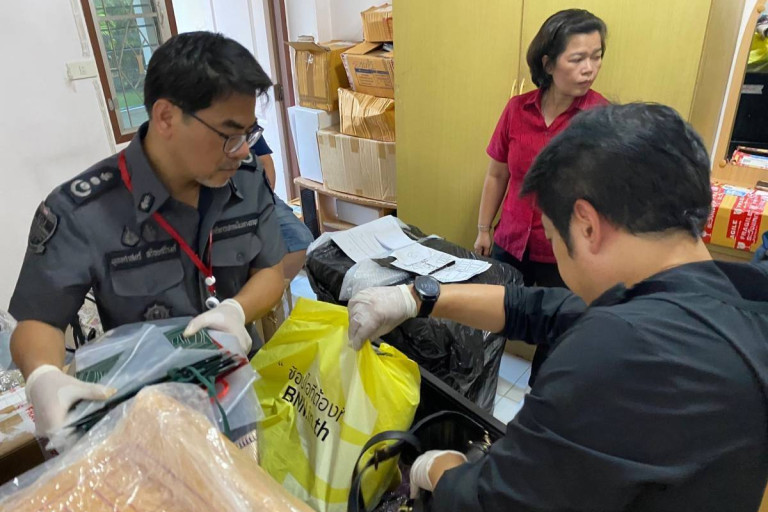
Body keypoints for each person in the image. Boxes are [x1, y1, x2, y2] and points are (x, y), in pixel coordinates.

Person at [348, 104, 768, 511]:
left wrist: (439, 468)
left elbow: (489, 502)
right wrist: (417, 298)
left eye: (551, 237)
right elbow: (539, 308)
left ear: (586, 225)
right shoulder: (735, 303)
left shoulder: (621, 351)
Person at [9, 32, 287, 439]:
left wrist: (237, 310)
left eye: (250, 133)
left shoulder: (245, 180)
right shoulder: (82, 210)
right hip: (147, 414)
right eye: (229, 134)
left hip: (238, 391)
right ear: (166, 117)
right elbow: (39, 320)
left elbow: (272, 271)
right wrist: (44, 376)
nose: (243, 151)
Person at [475, 9, 609, 383]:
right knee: (490, 322)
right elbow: (497, 174)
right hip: (511, 241)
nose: (589, 69)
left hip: (564, 251)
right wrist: (484, 229)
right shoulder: (517, 110)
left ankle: (540, 401)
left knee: (556, 338)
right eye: (577, 58)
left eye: (596, 57)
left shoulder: (602, 118)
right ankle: (477, 392)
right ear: (548, 63)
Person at [249, 135, 314, 280]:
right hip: (222, 200)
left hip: (259, 194)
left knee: (301, 240)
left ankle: (271, 289)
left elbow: (265, 161)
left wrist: (266, 196)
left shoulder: (248, 127)